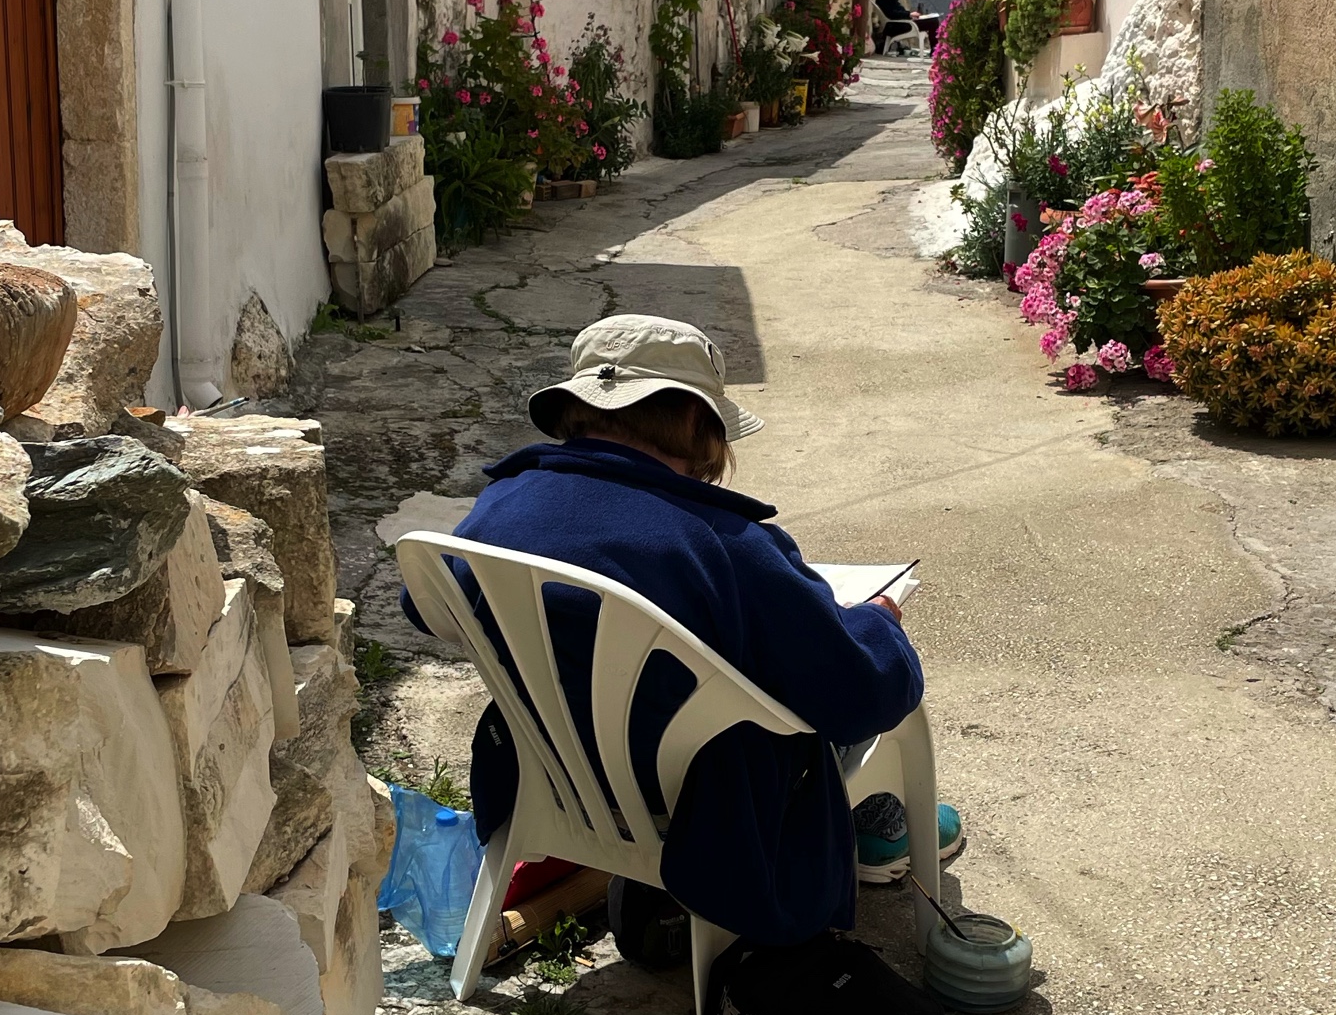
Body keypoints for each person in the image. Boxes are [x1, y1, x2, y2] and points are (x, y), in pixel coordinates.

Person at [405, 314, 962, 968]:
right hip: (705, 803)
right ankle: (870, 828)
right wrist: (881, 620)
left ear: (579, 409)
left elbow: (425, 605)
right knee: (827, 692)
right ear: (701, 426)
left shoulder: (502, 506)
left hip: (549, 770)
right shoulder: (729, 544)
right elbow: (864, 690)